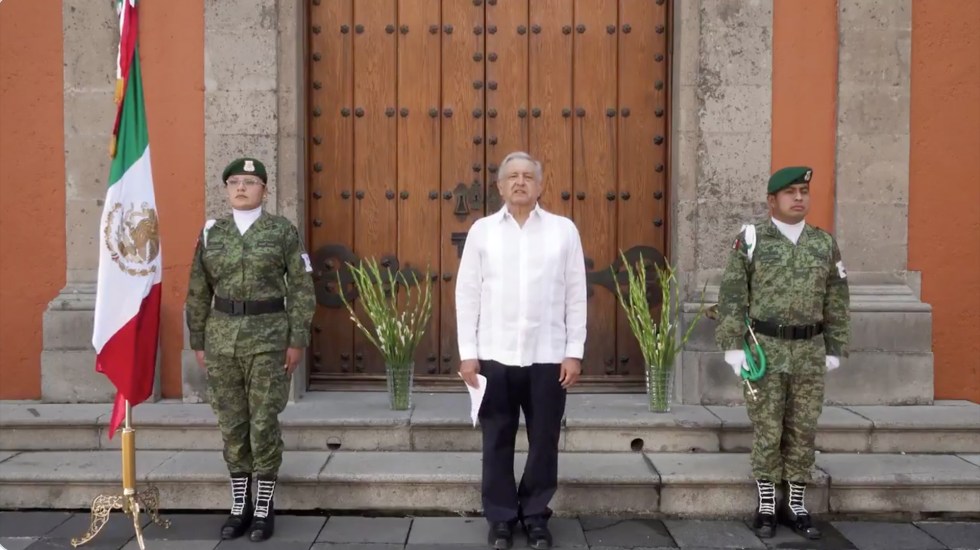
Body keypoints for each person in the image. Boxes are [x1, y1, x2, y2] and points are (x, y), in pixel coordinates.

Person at [456, 151, 588, 550]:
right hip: (494, 355)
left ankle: (535, 515)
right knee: (496, 438)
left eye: (527, 176)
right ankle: (499, 518)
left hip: (548, 355)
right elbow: (467, 294)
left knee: (544, 439)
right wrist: (467, 352)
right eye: (512, 176)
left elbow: (576, 295)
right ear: (499, 186)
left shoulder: (564, 231)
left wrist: (574, 351)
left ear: (540, 185)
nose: (519, 182)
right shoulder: (482, 231)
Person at [715, 166, 850, 540]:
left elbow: (837, 297)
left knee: (803, 429)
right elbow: (732, 292)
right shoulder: (752, 239)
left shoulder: (823, 243)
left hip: (809, 351)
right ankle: (766, 503)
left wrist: (835, 345)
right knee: (768, 428)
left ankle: (797, 503)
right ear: (772, 200)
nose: (799, 198)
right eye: (790, 192)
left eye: (804, 191)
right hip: (765, 350)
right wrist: (732, 345)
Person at [185, 157, 315, 542]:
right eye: (235, 182)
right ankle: (240, 504)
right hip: (222, 338)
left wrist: (297, 339)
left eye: (251, 182)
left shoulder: (281, 231)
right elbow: (197, 289)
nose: (241, 188)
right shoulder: (212, 233)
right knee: (232, 424)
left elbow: (303, 288)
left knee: (262, 424)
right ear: (226, 189)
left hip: (269, 339)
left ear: (265, 190)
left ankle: (264, 507)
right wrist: (198, 339)